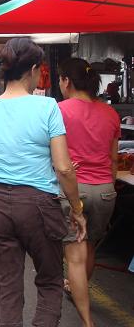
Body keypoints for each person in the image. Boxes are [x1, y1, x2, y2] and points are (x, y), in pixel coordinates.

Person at [0, 38, 87, 327]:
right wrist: (77, 208)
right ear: (34, 69)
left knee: (8, 287)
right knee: (49, 280)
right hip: (38, 205)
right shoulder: (47, 107)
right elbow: (64, 169)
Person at [58, 58, 120, 327]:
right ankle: (77, 289)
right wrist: (109, 184)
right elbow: (114, 159)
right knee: (90, 246)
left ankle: (87, 321)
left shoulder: (58, 110)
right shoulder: (110, 113)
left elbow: (54, 158)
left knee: (74, 253)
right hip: (105, 190)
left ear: (67, 81)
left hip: (75, 190)